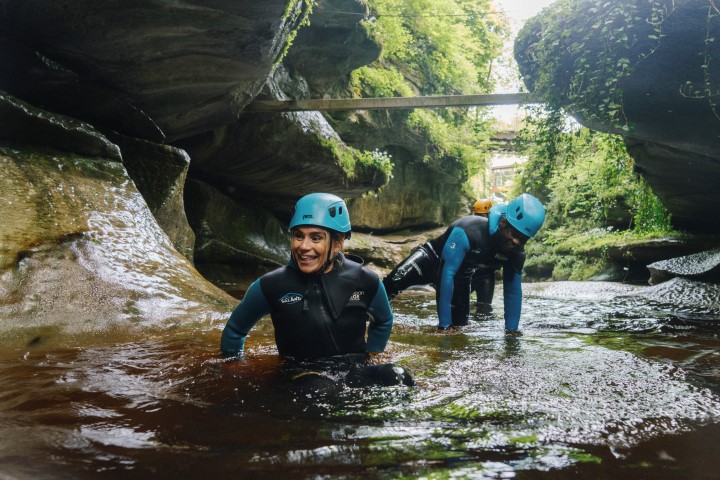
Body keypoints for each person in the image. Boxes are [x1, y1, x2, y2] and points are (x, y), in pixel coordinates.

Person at [221, 192, 413, 387]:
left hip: (355, 370)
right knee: (321, 389)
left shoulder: (366, 281)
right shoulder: (271, 285)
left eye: (316, 238)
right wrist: (235, 366)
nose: (304, 246)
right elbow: (235, 330)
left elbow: (384, 320)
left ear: (338, 242)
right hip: (302, 374)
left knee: (398, 376)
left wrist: (374, 353)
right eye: (298, 236)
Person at [383, 193, 545, 333]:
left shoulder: (516, 254)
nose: (516, 241)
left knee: (460, 327)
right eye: (514, 233)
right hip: (431, 259)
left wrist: (512, 332)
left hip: (460, 277)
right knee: (388, 286)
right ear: (503, 222)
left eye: (523, 239)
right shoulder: (470, 230)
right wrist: (444, 325)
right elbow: (446, 274)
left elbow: (513, 292)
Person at [470, 199, 495, 315]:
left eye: (483, 215)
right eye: (479, 215)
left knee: (484, 309)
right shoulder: (470, 229)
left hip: (484, 276)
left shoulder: (496, 230)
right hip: (471, 274)